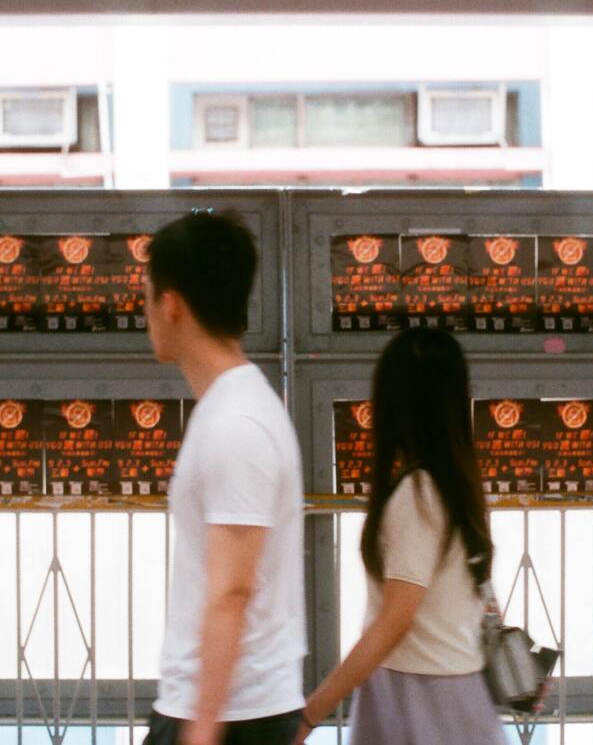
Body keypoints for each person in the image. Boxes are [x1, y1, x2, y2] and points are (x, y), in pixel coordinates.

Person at [143, 211, 307, 745]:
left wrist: (203, 726)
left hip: (232, 717)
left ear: (171, 304)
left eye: (146, 296)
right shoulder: (232, 408)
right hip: (227, 710)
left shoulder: (237, 423)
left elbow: (232, 589)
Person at [296, 327, 506, 744]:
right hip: (449, 690)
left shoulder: (418, 494)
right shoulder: (456, 485)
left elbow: (393, 621)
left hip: (420, 698)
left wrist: (309, 715)